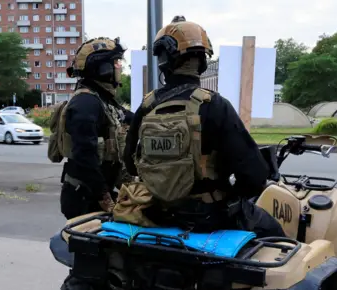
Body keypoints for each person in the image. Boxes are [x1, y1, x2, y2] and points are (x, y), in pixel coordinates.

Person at [122, 16, 285, 238]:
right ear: (202, 61)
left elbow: (130, 165)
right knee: (276, 233)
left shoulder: (147, 106)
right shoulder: (215, 105)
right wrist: (228, 197)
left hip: (158, 212)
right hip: (209, 217)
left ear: (164, 61)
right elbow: (254, 176)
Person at [56, 37, 132, 220]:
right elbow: (85, 155)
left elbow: (128, 117)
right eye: (115, 63)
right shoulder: (86, 103)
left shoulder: (101, 99)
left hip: (93, 194)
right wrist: (105, 199)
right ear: (102, 69)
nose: (119, 67)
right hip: (86, 198)